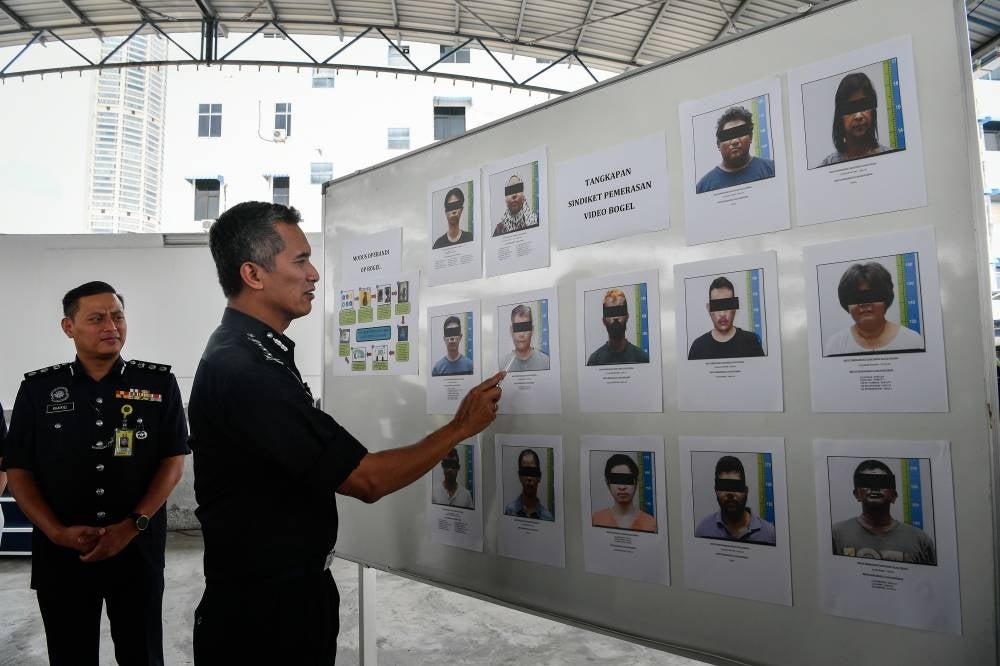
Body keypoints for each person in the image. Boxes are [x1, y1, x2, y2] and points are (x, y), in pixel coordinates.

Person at [188, 201, 502, 664]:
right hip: (265, 619)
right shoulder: (247, 370)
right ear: (253, 275)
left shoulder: (247, 352)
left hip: (279, 598)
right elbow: (366, 480)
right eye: (300, 261)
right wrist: (459, 428)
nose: (314, 274)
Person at [2, 281, 189, 665]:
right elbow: (18, 468)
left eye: (118, 316)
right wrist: (54, 531)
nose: (111, 326)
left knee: (143, 653)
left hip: (136, 550)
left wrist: (133, 524)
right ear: (68, 327)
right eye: (97, 318)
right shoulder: (39, 389)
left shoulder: (157, 384)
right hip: (62, 554)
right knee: (70, 654)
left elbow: (173, 460)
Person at [831, 460, 936, 564]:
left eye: (882, 482)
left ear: (894, 496)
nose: (874, 488)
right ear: (856, 494)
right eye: (867, 482)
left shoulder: (921, 541)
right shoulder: (836, 535)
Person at [823, 262, 924, 356]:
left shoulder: (912, 341)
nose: (865, 304)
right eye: (855, 297)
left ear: (886, 298)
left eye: (873, 295)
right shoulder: (835, 346)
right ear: (846, 303)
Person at [695, 455, 776, 545]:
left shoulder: (770, 534)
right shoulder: (702, 531)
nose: (730, 494)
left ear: (746, 490)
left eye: (736, 486)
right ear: (716, 490)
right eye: (724, 487)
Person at [696, 106, 776, 193]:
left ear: (750, 137)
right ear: (718, 144)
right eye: (728, 135)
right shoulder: (703, 187)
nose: (735, 141)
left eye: (741, 133)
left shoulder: (771, 169)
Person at [819, 72, 890, 167]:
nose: (858, 116)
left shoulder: (891, 159)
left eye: (864, 105)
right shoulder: (826, 167)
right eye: (850, 108)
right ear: (839, 115)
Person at [687, 276, 765, 360]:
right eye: (717, 306)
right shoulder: (698, 347)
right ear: (709, 309)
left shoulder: (752, 342)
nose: (722, 314)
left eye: (727, 305)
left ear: (735, 307)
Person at [591, 453, 656, 532]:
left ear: (636, 482)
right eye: (616, 480)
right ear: (607, 483)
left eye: (627, 480)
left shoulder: (651, 523)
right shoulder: (596, 520)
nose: (622, 487)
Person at [586, 289, 649, 365]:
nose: (615, 318)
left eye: (619, 311)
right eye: (611, 313)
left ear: (627, 317)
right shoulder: (594, 360)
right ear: (604, 320)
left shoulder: (642, 358)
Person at [503, 448, 553, 521]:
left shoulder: (547, 517)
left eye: (532, 472)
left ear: (539, 476)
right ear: (519, 477)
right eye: (525, 472)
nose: (529, 478)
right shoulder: (509, 511)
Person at [498, 304, 550, 372]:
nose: (521, 334)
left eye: (525, 327)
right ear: (511, 330)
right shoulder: (502, 364)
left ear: (532, 330)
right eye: (518, 328)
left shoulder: (546, 362)